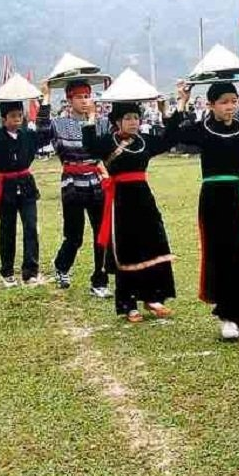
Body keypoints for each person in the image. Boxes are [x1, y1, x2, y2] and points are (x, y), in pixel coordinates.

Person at [165, 77, 239, 341]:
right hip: (214, 198)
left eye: (234, 101)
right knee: (221, 254)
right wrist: (182, 101)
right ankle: (226, 316)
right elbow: (171, 134)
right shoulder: (203, 129)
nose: (230, 107)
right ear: (211, 105)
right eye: (224, 102)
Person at [88, 100, 175, 322]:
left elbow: (170, 138)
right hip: (120, 202)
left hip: (144, 199)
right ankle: (128, 304)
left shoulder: (145, 142)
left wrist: (165, 110)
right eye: (128, 118)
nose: (133, 122)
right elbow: (88, 144)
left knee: (154, 243)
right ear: (117, 122)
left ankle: (153, 297)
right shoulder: (108, 142)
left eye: (136, 117)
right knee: (127, 249)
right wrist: (90, 115)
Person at [0, 97, 52, 287]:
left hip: (27, 185)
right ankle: (7, 272)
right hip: (7, 187)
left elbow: (44, 131)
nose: (17, 119)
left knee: (30, 227)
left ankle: (30, 271)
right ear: (4, 119)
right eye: (13, 116)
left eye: (20, 115)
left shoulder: (28, 135)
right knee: (7, 230)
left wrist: (44, 100)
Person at [49, 80, 111, 295]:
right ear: (69, 100)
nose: (85, 101)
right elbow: (40, 128)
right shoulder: (58, 124)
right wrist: (45, 97)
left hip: (96, 182)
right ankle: (61, 266)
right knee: (74, 235)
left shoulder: (102, 123)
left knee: (101, 234)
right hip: (72, 183)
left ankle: (99, 281)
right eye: (79, 97)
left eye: (87, 96)